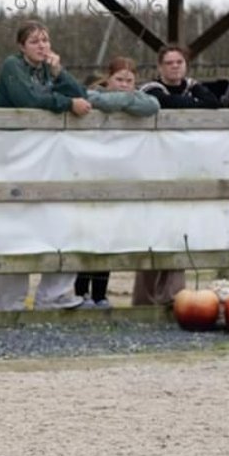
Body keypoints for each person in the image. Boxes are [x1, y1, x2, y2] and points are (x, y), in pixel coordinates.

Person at [0, 19, 91, 311]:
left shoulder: (49, 68)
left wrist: (60, 73)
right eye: (34, 41)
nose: (41, 46)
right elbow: (29, 98)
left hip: (47, 157)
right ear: (22, 46)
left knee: (58, 221)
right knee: (15, 228)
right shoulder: (13, 66)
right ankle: (9, 302)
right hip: (14, 154)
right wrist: (66, 103)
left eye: (45, 40)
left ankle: (54, 294)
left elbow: (80, 95)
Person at [132, 44, 221, 306]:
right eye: (169, 62)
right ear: (160, 67)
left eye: (179, 62)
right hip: (153, 168)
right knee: (149, 233)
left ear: (186, 65)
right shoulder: (150, 89)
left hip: (184, 169)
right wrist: (192, 104)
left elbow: (213, 104)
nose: (174, 66)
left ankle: (174, 296)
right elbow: (164, 103)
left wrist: (190, 103)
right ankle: (144, 299)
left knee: (178, 231)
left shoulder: (193, 85)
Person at [74, 56, 161, 308]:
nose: (124, 84)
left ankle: (100, 294)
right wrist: (124, 100)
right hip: (89, 172)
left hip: (120, 174)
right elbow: (92, 99)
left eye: (129, 81)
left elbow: (152, 106)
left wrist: (124, 100)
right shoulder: (91, 95)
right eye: (119, 79)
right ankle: (80, 292)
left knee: (108, 236)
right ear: (108, 78)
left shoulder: (139, 102)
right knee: (86, 237)